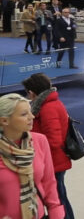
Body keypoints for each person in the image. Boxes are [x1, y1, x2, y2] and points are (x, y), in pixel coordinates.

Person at [0, 93, 64, 219]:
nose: (32, 116)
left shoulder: (40, 141)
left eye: (30, 112)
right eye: (24, 114)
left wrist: (56, 213)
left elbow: (49, 182)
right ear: (4, 120)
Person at [22, 73, 75, 219]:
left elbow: (54, 141)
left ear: (32, 92)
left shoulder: (47, 108)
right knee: (60, 198)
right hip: (53, 161)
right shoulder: (48, 104)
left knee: (58, 200)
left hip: (54, 163)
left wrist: (34, 146)